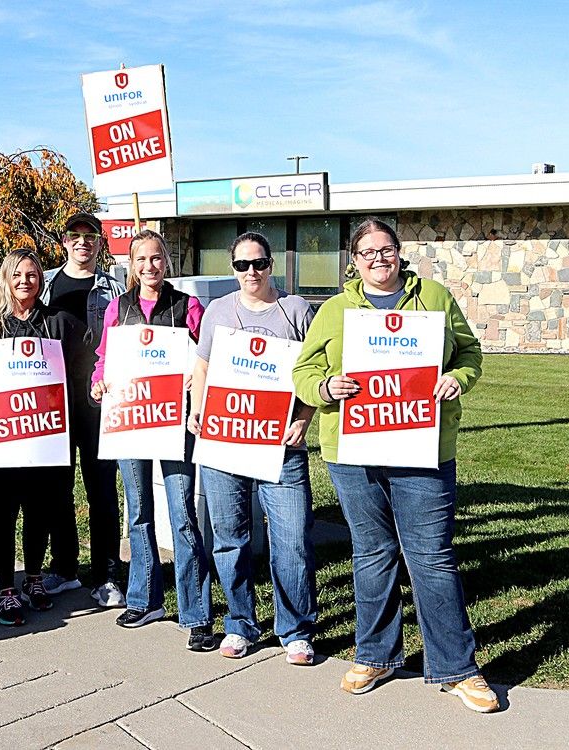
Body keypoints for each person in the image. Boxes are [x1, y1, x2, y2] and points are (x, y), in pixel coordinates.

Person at [292, 217, 498, 713]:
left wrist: (456, 378)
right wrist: (324, 388)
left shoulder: (435, 297)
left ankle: (458, 667)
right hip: (353, 452)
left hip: (422, 449)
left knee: (431, 556)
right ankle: (376, 654)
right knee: (371, 554)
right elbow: (303, 369)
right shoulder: (337, 309)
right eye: (368, 252)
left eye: (387, 250)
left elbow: (470, 353)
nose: (379, 259)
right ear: (354, 261)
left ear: (399, 253)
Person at [188, 231, 319, 664]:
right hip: (225, 442)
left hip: (281, 447)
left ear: (272, 264)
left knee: (292, 539)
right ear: (232, 269)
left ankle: (296, 629)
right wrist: (197, 409)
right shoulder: (218, 310)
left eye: (259, 264)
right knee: (229, 539)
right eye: (242, 265)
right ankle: (240, 623)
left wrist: (302, 420)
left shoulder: (296, 309)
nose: (251, 273)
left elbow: (314, 372)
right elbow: (202, 366)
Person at [90, 230, 214, 651]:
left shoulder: (187, 306)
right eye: (141, 259)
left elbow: (205, 359)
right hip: (130, 423)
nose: (149, 266)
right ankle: (145, 599)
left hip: (173, 424)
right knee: (139, 512)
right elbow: (105, 360)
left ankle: (195, 613)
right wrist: (98, 385)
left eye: (156, 258)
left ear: (167, 262)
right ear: (131, 264)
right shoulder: (117, 309)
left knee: (181, 514)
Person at [0, 249, 84, 626]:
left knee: (39, 513)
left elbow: (77, 374)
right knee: (3, 515)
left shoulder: (56, 323)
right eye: (18, 275)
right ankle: (6, 590)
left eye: (33, 275)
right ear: (6, 280)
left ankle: (33, 579)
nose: (26, 281)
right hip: (1, 441)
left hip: (45, 439)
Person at [40, 211, 127, 607]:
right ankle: (65, 567)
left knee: (101, 490)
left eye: (90, 235)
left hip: (99, 401)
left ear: (99, 242)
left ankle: (107, 573)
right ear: (64, 241)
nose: (82, 242)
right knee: (57, 488)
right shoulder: (46, 284)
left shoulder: (113, 286)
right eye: (74, 235)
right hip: (54, 402)